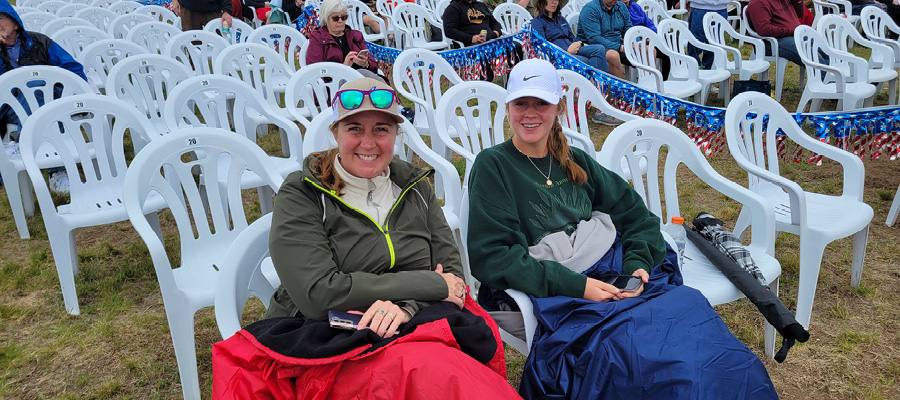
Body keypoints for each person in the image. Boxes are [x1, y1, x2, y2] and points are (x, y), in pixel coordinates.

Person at [466, 58, 779, 399]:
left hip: (619, 277)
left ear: (558, 107)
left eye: (541, 103)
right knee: (646, 366)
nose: (530, 113)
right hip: (560, 292)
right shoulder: (493, 165)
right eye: (521, 103)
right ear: (508, 106)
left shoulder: (575, 161)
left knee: (705, 341)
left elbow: (637, 216)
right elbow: (493, 257)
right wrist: (580, 286)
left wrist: (638, 264)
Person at [212, 77, 521, 399]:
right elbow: (318, 293)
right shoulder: (302, 192)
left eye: (381, 130)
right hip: (327, 333)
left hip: (414, 322)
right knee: (440, 375)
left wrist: (404, 307)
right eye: (355, 128)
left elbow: (452, 275)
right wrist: (430, 285)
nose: (369, 143)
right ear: (335, 133)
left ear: (396, 135)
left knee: (449, 375)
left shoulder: (414, 186)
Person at [0, 0, 86, 194]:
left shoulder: (39, 41)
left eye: (0, 18)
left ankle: (21, 141)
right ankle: (57, 171)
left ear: (15, 23)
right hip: (9, 111)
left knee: (35, 84)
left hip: (50, 105)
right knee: (29, 88)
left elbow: (73, 69)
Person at [306, 0, 381, 78]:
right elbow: (315, 70)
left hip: (362, 78)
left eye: (343, 17)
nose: (340, 21)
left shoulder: (355, 35)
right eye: (335, 18)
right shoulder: (318, 38)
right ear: (326, 18)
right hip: (336, 84)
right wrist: (344, 67)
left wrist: (366, 63)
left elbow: (374, 66)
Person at [531, 0, 610, 71]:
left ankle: (595, 84)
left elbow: (573, 38)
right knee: (593, 60)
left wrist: (579, 43)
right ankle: (598, 85)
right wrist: (566, 51)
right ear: (542, 1)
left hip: (574, 49)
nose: (554, 2)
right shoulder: (537, 22)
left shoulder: (561, 19)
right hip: (559, 56)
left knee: (600, 48)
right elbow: (542, 48)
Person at [576, 0, 631, 79]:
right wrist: (620, 48)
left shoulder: (621, 6)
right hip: (594, 47)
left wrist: (636, 43)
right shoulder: (590, 9)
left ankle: (648, 85)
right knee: (613, 56)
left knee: (646, 50)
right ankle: (617, 90)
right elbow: (595, 39)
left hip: (617, 43)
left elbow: (628, 29)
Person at [745, 0, 807, 66]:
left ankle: (817, 73)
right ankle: (818, 73)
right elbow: (764, 29)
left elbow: (800, 14)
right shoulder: (758, 3)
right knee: (809, 56)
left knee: (816, 46)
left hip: (792, 36)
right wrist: (792, 31)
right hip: (770, 42)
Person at [687, 0, 729, 70]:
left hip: (721, 7)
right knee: (695, 41)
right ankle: (694, 68)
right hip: (700, 7)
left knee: (715, 42)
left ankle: (707, 69)